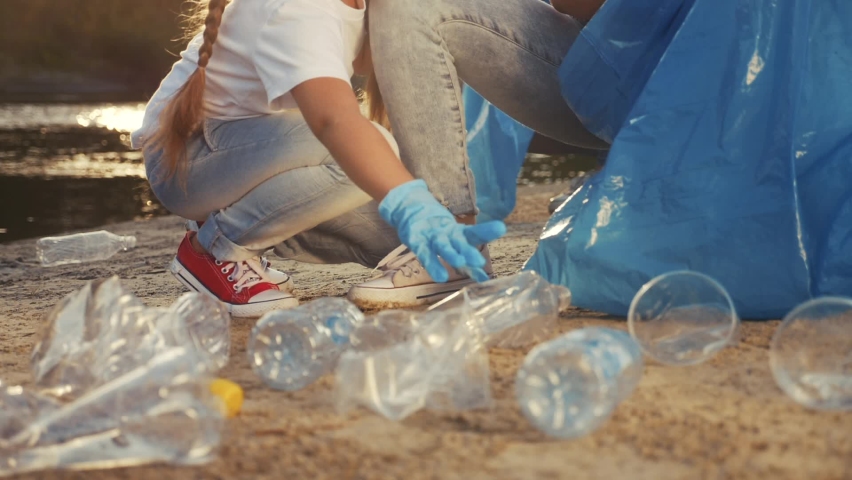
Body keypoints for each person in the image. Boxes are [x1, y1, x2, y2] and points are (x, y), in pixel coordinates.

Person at [132, 0, 506, 317]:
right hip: (188, 161)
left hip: (250, 155)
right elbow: (333, 122)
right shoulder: (298, 8)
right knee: (363, 150)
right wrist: (413, 203)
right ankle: (214, 246)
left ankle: (242, 225)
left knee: (398, 241)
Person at [366, 0, 610, 242]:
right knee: (407, 7)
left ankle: (451, 238)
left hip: (623, 82)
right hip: (597, 64)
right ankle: (451, 234)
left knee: (412, 7)